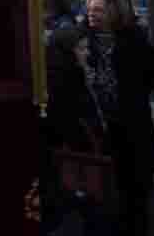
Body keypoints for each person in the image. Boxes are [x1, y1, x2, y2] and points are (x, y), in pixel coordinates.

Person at [85, 0, 154, 236]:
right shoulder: (84, 39)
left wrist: (132, 95)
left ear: (113, 12)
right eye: (90, 9)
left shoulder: (133, 40)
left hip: (130, 123)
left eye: (98, 10)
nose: (91, 14)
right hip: (100, 123)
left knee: (133, 191)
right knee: (105, 189)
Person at [42, 27, 107, 235]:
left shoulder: (72, 73)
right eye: (82, 48)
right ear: (68, 52)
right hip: (76, 153)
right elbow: (70, 122)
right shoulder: (65, 80)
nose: (86, 53)